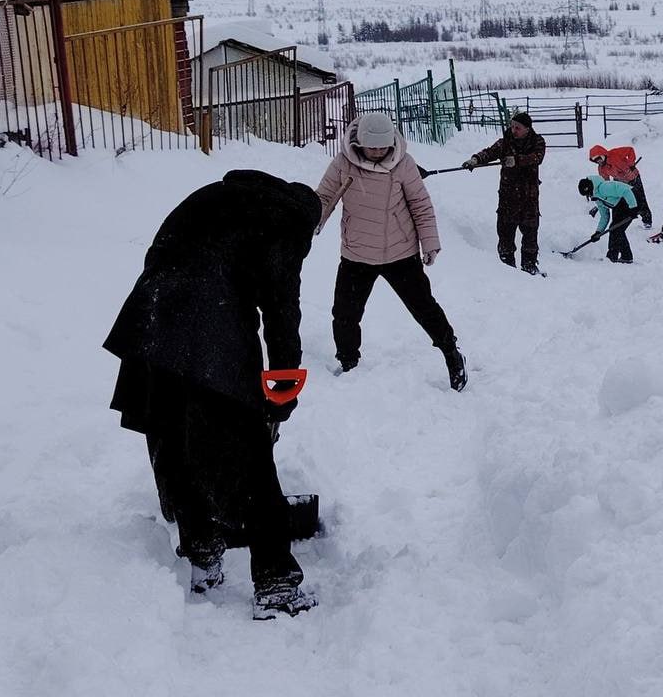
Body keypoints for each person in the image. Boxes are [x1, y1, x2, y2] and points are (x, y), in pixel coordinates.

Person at [104, 170, 321, 620]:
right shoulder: (286, 225)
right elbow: (282, 317)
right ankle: (277, 583)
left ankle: (202, 551)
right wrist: (280, 400)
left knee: (173, 439)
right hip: (210, 333)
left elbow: (159, 249)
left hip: (151, 320)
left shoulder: (217, 196)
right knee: (251, 460)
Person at [316, 112, 466, 391]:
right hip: (357, 253)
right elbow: (324, 197)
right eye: (371, 147)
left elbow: (421, 205)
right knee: (345, 313)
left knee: (424, 308)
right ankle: (348, 362)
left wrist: (429, 242)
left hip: (400, 253)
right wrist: (314, 221)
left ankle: (451, 353)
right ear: (360, 143)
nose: (376, 152)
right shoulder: (342, 164)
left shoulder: (404, 164)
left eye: (381, 147)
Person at [464, 111, 547, 275]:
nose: (514, 130)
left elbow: (537, 157)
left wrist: (516, 160)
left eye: (518, 128)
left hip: (529, 197)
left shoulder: (537, 142)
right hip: (508, 197)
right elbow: (490, 152)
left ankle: (529, 265)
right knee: (505, 233)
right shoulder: (505, 142)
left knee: (530, 233)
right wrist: (475, 159)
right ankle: (506, 268)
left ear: (527, 129)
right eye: (512, 126)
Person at [578, 175, 639, 263]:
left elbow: (626, 191)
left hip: (632, 198)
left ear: (590, 188)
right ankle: (619, 257)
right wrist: (598, 232)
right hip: (620, 206)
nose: (588, 196)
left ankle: (618, 257)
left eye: (588, 194)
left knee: (616, 229)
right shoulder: (597, 198)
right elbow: (604, 216)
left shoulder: (604, 187)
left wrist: (633, 207)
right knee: (615, 229)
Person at [589, 144, 652, 227]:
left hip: (633, 178)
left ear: (603, 153)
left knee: (640, 199)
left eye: (598, 158)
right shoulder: (601, 168)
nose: (598, 161)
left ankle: (647, 220)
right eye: (595, 161)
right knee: (621, 202)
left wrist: (631, 164)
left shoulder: (615, 153)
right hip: (619, 182)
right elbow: (605, 183)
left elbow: (630, 150)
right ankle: (621, 221)